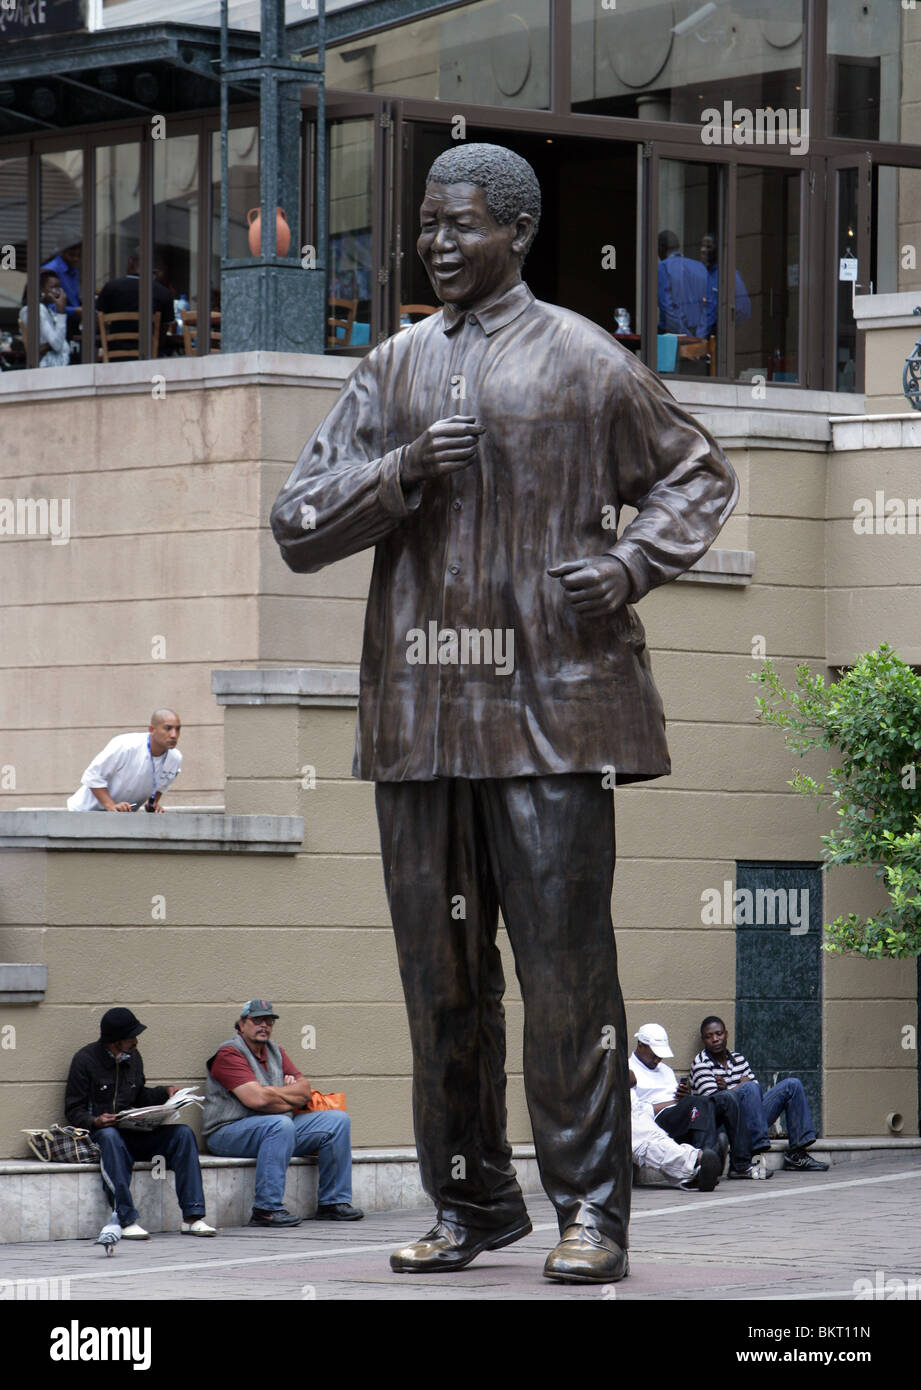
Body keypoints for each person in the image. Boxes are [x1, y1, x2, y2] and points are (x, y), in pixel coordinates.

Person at [271, 143, 738, 1283]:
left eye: (460, 224)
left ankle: (593, 1213)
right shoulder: (389, 369)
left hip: (550, 717)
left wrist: (629, 566)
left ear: (515, 234)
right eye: (426, 224)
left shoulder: (586, 360)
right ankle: (471, 1200)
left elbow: (699, 473)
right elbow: (295, 521)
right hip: (422, 721)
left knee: (567, 976)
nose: (436, 242)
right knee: (440, 982)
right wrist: (400, 473)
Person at [203, 999, 363, 1228]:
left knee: (336, 1121)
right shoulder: (229, 1053)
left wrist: (270, 1093)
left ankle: (333, 1203)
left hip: (276, 1127)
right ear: (241, 1023)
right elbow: (255, 1100)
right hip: (228, 1131)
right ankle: (266, 1210)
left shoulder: (275, 1051)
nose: (264, 1025)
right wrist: (285, 1095)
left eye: (269, 1020)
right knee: (279, 1124)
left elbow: (304, 1091)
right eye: (257, 1020)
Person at [64, 1007, 216, 1238]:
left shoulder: (133, 1059)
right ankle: (125, 1219)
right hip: (103, 1135)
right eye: (131, 1036)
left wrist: (165, 1094)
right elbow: (73, 1110)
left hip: (132, 1130)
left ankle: (192, 1217)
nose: (136, 1041)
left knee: (183, 1134)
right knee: (111, 1137)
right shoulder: (85, 1060)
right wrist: (95, 1120)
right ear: (116, 1040)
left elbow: (139, 1096)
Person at [629, 1023, 768, 1182]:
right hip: (656, 1122)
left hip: (685, 1113)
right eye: (654, 1054)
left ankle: (741, 1165)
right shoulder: (628, 1071)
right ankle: (705, 1163)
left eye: (660, 1055)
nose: (657, 1059)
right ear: (640, 1045)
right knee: (698, 1103)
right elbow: (637, 1113)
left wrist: (684, 1097)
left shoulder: (665, 1070)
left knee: (728, 1098)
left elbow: (683, 1100)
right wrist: (677, 1102)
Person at [691, 1016, 829, 1173]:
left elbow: (756, 1091)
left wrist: (730, 1088)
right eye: (709, 1036)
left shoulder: (738, 1059)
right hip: (724, 1126)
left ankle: (797, 1154)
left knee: (792, 1085)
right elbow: (714, 1103)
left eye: (719, 1034)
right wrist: (740, 1086)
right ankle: (755, 1145)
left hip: (750, 1118)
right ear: (703, 1040)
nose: (715, 1039)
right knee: (747, 1088)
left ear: (726, 1034)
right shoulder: (701, 1064)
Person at [66, 710, 182, 812]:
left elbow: (161, 785)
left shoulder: (175, 758)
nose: (174, 735)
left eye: (177, 729)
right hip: (84, 812)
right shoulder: (126, 745)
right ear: (152, 729)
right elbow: (93, 775)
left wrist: (153, 804)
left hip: (123, 817)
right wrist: (111, 806)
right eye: (168, 728)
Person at [630, 1070, 720, 1192]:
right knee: (643, 1144)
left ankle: (695, 1174)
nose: (657, 1059)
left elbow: (629, 1078)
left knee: (657, 1138)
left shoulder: (665, 1070)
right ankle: (695, 1162)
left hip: (635, 1110)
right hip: (621, 1114)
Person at [96, 250, 174, 355]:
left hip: (115, 353)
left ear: (130, 263)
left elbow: (98, 320)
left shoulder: (111, 287)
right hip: (149, 355)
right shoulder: (163, 292)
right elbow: (163, 331)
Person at [657, 229, 709, 337]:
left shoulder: (662, 267)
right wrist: (700, 336)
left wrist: (685, 335)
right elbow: (708, 305)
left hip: (673, 338)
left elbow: (666, 307)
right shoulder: (700, 266)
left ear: (660, 249)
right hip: (700, 338)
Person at [699, 234, 751, 338]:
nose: (703, 250)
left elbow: (743, 308)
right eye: (702, 246)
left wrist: (723, 329)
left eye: (708, 247)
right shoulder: (704, 274)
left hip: (718, 338)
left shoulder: (728, 274)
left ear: (718, 250)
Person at [19, 271, 72, 368]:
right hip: (47, 367)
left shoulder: (48, 310)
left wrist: (48, 345)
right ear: (40, 290)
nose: (58, 292)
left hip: (58, 366)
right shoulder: (34, 310)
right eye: (53, 287)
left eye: (59, 287)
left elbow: (56, 342)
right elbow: (57, 344)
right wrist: (61, 312)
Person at [40, 242, 82, 323]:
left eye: (79, 255)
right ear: (62, 251)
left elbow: (75, 299)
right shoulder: (50, 271)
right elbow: (47, 306)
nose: (76, 259)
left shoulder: (73, 268)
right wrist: (74, 310)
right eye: (72, 255)